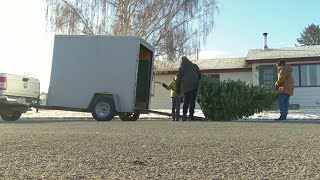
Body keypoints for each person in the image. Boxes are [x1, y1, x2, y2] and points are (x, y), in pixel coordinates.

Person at [176, 56, 201, 121]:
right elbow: (199, 76)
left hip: (186, 86)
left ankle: (184, 115)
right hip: (194, 85)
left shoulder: (182, 68)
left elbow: (178, 79)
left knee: (186, 101)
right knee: (192, 101)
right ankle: (191, 116)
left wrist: (177, 89)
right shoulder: (194, 66)